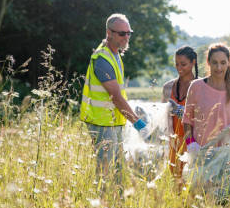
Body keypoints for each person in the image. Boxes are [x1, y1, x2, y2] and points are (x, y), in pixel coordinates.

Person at [80, 13, 152, 179]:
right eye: (122, 33)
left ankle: (115, 203)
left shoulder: (115, 54)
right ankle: (104, 203)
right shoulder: (102, 59)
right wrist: (139, 124)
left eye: (129, 33)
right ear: (109, 33)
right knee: (107, 173)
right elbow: (117, 98)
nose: (126, 37)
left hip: (112, 122)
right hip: (102, 123)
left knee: (117, 171)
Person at [182, 43, 230, 206]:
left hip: (228, 154)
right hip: (201, 153)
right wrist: (191, 144)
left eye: (223, 62)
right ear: (208, 62)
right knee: (199, 201)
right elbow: (187, 120)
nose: (219, 67)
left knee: (228, 201)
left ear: (229, 63)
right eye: (215, 62)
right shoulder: (196, 87)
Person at [161, 46, 198, 185]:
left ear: (193, 62)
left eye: (183, 64)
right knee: (177, 182)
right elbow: (166, 117)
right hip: (175, 141)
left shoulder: (201, 86)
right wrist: (172, 138)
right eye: (176, 64)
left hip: (194, 141)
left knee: (193, 182)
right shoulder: (168, 87)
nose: (179, 68)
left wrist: (181, 111)